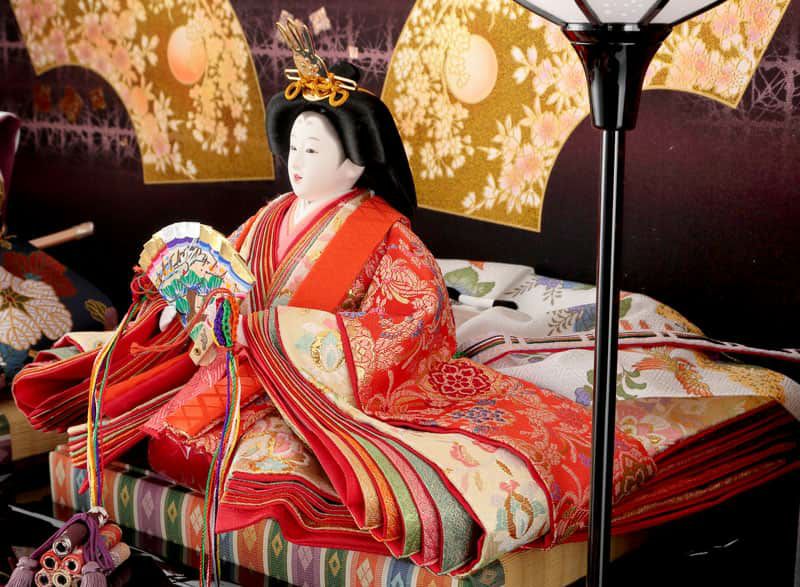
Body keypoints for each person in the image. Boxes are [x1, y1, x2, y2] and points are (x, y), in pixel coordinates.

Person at [13, 20, 653, 574]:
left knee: (275, 467)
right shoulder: (272, 216)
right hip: (240, 373)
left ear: (354, 164)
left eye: (313, 149)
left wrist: (274, 335)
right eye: (293, 147)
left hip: (313, 392)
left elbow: (407, 324)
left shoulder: (388, 237)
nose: (296, 162)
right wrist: (189, 306)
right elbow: (222, 277)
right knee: (148, 421)